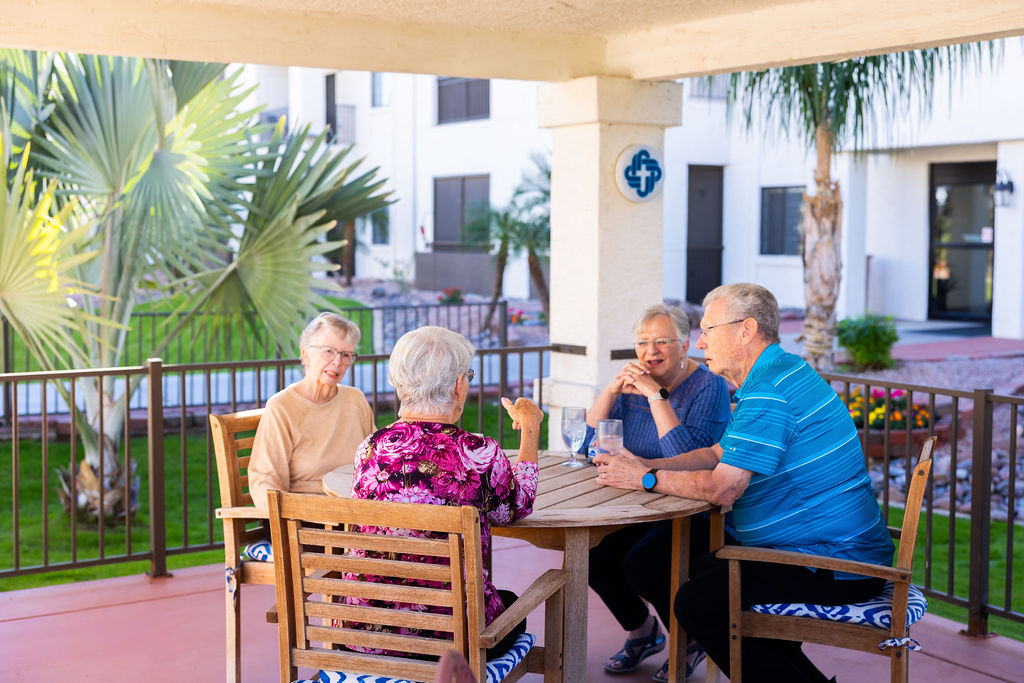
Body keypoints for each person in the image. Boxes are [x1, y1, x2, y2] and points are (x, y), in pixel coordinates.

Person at [594, 283, 894, 682]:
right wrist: (647, 462)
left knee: (697, 602)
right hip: (825, 550)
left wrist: (646, 478)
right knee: (662, 565)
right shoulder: (781, 371)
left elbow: (723, 488)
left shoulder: (769, 391)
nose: (700, 343)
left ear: (746, 330)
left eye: (708, 331)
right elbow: (720, 453)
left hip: (832, 563)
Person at [347, 326, 544, 659]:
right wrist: (531, 428)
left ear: (398, 383)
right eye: (468, 375)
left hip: (369, 633)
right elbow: (517, 505)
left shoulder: (369, 449)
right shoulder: (479, 453)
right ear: (458, 386)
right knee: (512, 608)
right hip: (452, 641)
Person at [583, 304, 731, 682]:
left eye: (662, 341)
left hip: (691, 506)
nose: (652, 350)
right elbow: (592, 429)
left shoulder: (708, 385)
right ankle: (642, 631)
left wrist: (655, 396)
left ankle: (691, 640)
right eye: (643, 342)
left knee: (643, 563)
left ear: (684, 345)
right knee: (592, 553)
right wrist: (612, 388)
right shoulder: (633, 384)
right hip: (637, 500)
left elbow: (687, 457)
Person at [248, 312, 375, 511]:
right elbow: (265, 482)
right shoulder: (282, 407)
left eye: (345, 354)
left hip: (355, 513)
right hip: (305, 518)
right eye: (329, 351)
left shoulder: (355, 400)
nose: (337, 362)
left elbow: (375, 461)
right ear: (306, 354)